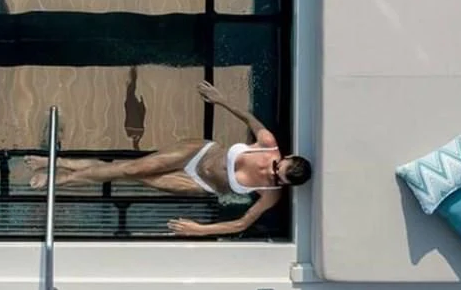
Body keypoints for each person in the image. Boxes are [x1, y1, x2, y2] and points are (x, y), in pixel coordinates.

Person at [29, 80, 311, 237]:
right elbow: (249, 118)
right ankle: (58, 178)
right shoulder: (267, 144)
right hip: (198, 152)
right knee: (129, 169)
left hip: (199, 183)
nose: (271, 172)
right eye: (278, 167)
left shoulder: (270, 194)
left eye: (278, 178)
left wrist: (199, 230)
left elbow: (241, 224)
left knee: (133, 175)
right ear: (285, 157)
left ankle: (59, 164)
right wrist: (221, 99)